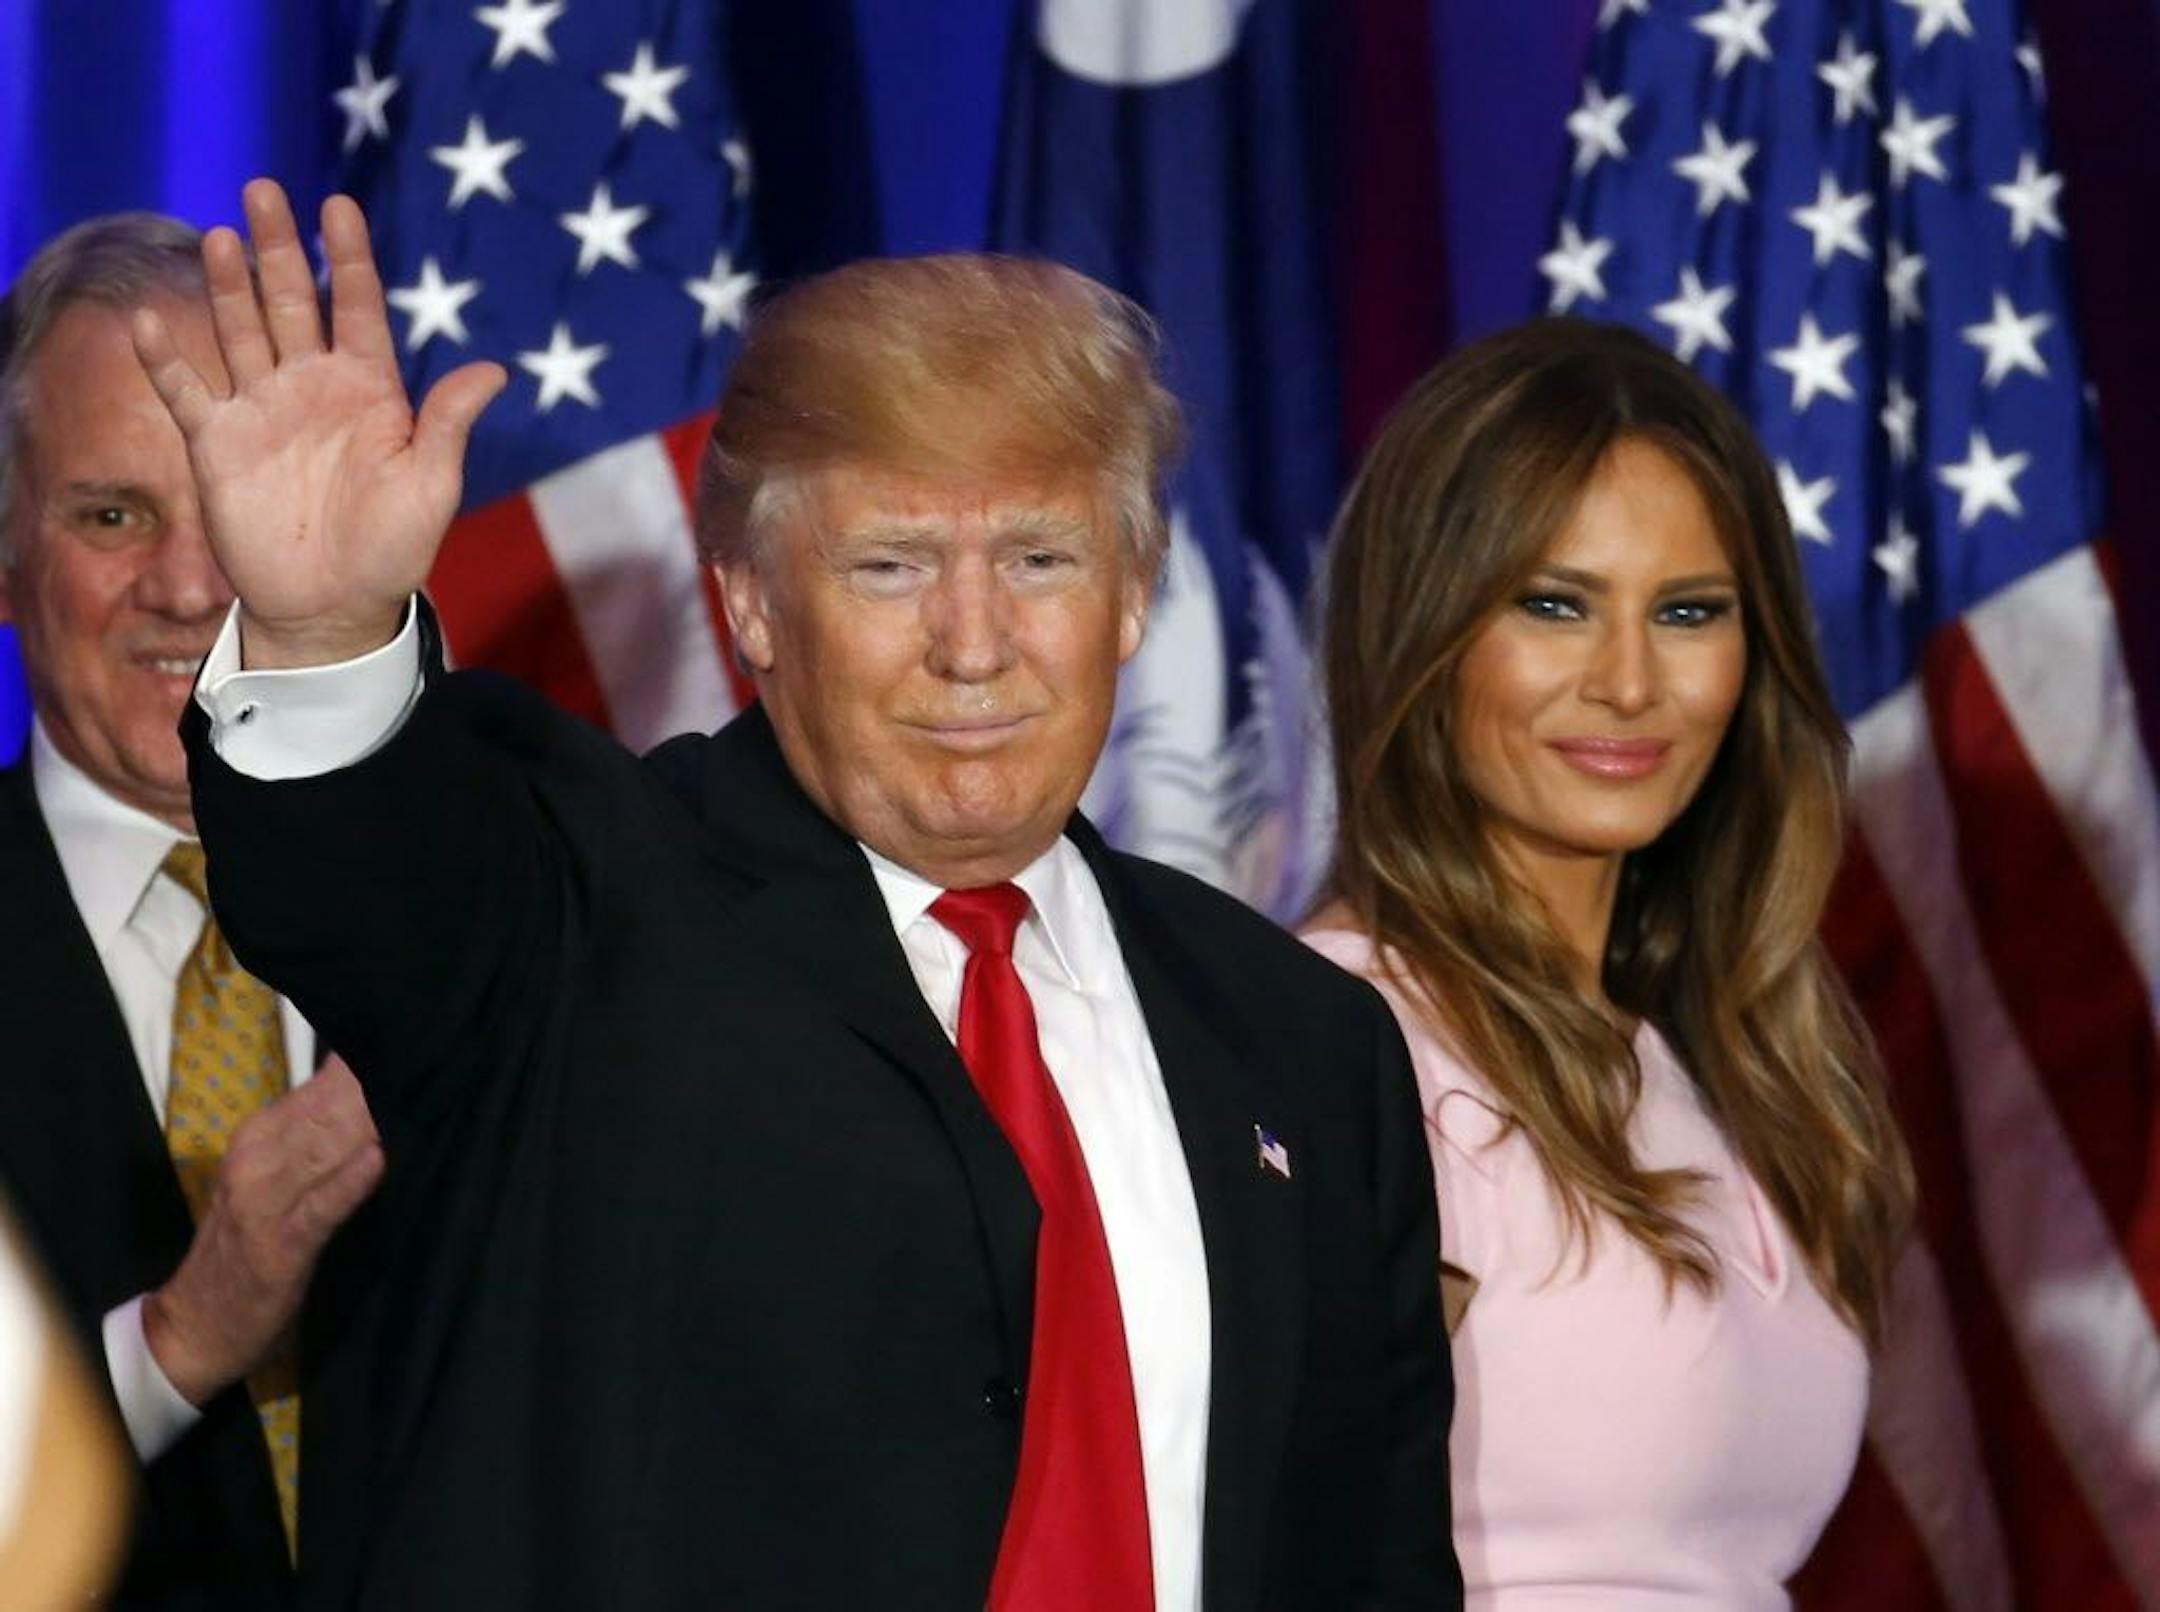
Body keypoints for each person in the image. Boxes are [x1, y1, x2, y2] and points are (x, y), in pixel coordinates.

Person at [140, 178, 1459, 1610]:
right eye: (890, 566)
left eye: (1040, 559)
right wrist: (324, 631)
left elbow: (1369, 1562)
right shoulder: (577, 913)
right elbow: (368, 891)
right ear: (754, 603)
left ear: (1135, 591)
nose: (975, 645)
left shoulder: (1305, 1042)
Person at [1302, 319, 1914, 1609]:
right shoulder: (1334, 1045)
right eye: (1555, 605)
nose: (1631, 683)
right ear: (1423, 631)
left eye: (1689, 612)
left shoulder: (1710, 1062)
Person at [0, 214, 386, 1607]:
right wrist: (178, 1341)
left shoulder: (490, 905)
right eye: (113, 515)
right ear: (4, 559)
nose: (190, 586)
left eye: (234, 508)